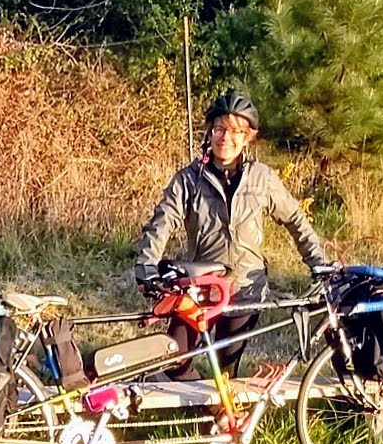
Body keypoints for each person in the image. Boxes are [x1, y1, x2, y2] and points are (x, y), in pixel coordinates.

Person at [133, 90, 330, 380]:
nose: (227, 138)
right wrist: (147, 267)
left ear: (248, 137)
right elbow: (161, 223)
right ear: (209, 133)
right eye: (220, 129)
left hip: (245, 290)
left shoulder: (262, 178)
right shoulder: (189, 179)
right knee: (174, 359)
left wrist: (319, 262)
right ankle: (202, 405)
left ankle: (221, 418)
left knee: (225, 371)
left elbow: (295, 220)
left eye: (237, 131)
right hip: (199, 289)